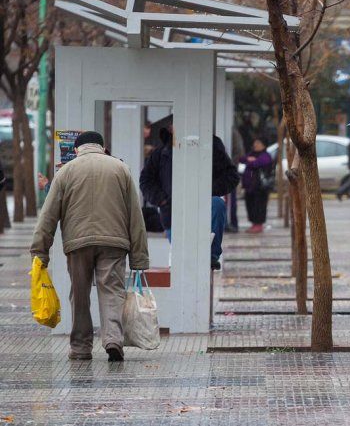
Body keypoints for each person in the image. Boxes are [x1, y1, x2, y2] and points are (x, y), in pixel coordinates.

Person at [30, 131, 149, 362]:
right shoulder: (120, 169)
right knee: (112, 291)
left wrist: (39, 251)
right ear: (103, 148)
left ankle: (81, 347)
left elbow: (48, 215)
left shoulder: (66, 172)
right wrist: (139, 258)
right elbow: (136, 216)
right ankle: (113, 339)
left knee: (80, 293)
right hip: (114, 242)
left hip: (78, 243)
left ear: (76, 150)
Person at [140, 127, 240, 270]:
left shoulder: (212, 145)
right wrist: (163, 200)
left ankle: (211, 256)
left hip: (203, 209)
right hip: (173, 213)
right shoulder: (161, 152)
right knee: (184, 261)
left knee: (217, 204)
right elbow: (146, 180)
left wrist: (207, 191)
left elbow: (231, 176)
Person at [239, 138, 273, 233]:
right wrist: (248, 159)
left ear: (264, 145)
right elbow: (241, 159)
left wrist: (250, 161)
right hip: (249, 187)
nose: (255, 144)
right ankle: (254, 224)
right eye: (255, 142)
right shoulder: (251, 154)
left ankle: (258, 225)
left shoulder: (266, 156)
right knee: (250, 205)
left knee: (259, 206)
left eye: (258, 143)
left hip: (260, 187)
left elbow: (256, 164)